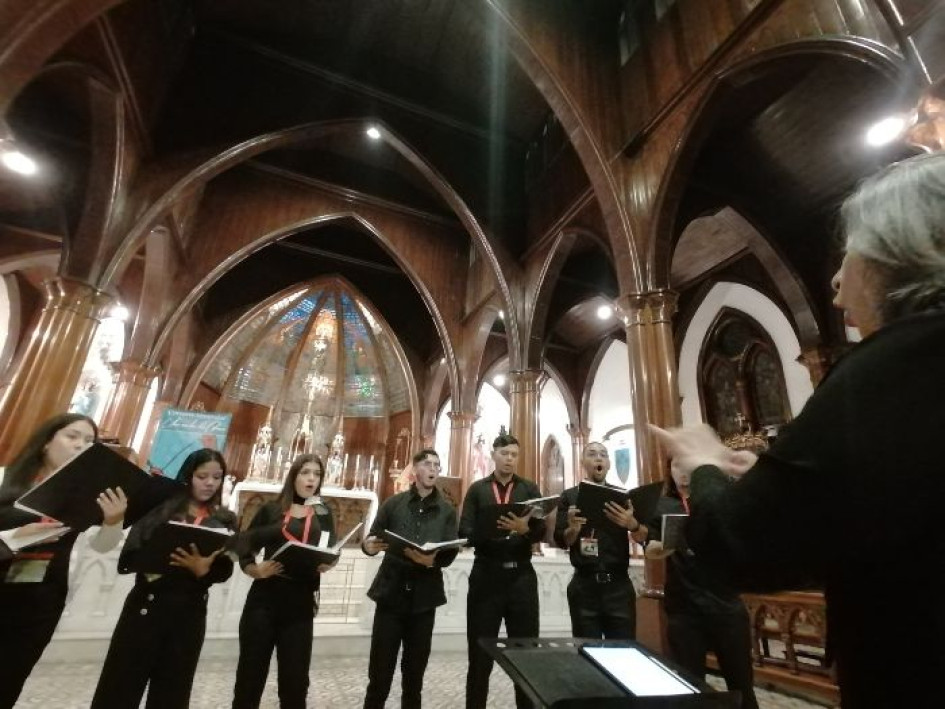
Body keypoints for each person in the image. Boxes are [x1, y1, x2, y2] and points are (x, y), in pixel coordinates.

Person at [651, 152, 945, 708]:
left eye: (852, 251)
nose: (836, 281)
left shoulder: (894, 367)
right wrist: (774, 478)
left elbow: (743, 546)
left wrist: (705, 465)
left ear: (898, 253)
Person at [91, 448, 236, 709]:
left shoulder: (223, 519)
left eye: (217, 477)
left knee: (172, 691)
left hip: (189, 612)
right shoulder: (160, 508)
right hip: (146, 606)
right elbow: (133, 550)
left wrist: (204, 569)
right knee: (120, 686)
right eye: (202, 476)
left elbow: (225, 568)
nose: (210, 483)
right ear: (189, 476)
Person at [0, 413, 126, 709]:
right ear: (46, 442)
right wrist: (14, 537)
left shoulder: (85, 494)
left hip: (41, 600)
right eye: (72, 436)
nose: (81, 445)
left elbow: (102, 546)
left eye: (89, 442)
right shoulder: (5, 477)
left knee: (9, 680)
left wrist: (114, 521)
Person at [643, 470, 759, 709]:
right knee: (689, 689)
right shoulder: (663, 505)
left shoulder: (720, 500)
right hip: (684, 610)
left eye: (690, 464)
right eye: (678, 465)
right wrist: (664, 547)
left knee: (742, 687)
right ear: (671, 469)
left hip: (725, 605)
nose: (684, 471)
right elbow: (650, 548)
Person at [232, 453, 337, 709]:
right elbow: (244, 547)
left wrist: (329, 562)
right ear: (294, 477)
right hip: (265, 599)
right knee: (249, 678)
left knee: (295, 683)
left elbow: (331, 548)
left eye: (317, 474)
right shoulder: (272, 509)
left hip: (300, 601)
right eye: (305, 472)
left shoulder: (323, 512)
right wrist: (254, 569)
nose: (312, 479)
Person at [361, 448, 460, 708]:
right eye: (427, 464)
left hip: (424, 599)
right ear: (415, 470)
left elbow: (450, 551)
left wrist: (432, 561)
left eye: (437, 465)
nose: (433, 469)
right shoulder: (393, 504)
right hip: (391, 594)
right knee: (379, 673)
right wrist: (368, 546)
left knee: (414, 676)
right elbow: (373, 538)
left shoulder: (447, 511)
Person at [459, 432, 545, 709]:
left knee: (526, 656)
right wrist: (490, 529)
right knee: (479, 656)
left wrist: (525, 529)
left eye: (514, 455)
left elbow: (542, 530)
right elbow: (464, 530)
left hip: (521, 579)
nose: (509, 459)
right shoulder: (478, 489)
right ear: (493, 455)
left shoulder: (529, 490)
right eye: (504, 453)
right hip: (486, 576)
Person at [554, 441, 647, 640]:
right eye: (592, 454)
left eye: (603, 455)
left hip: (619, 587)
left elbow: (643, 539)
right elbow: (562, 540)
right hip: (584, 587)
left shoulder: (624, 498)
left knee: (624, 651)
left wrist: (632, 524)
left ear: (609, 464)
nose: (599, 458)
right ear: (582, 462)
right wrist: (573, 529)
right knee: (587, 651)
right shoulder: (570, 497)